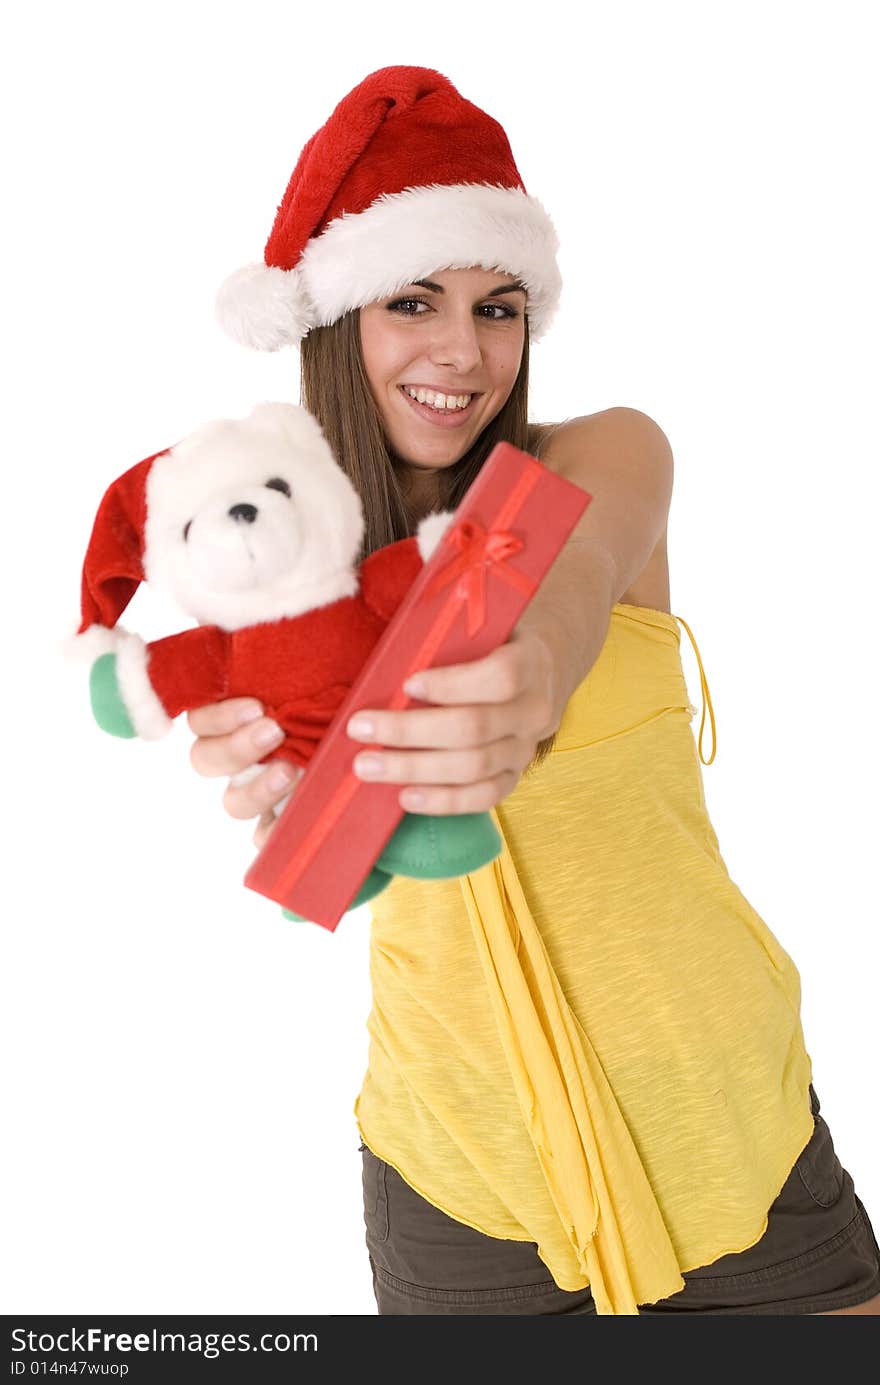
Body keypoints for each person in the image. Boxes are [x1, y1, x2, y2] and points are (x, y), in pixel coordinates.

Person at [189, 66, 880, 1314]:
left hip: (731, 1117)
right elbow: (317, 853)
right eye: (413, 301)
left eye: (498, 307)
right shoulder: (280, 571)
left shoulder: (604, 452)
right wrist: (268, 770)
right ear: (339, 324)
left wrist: (535, 674)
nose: (464, 350)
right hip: (461, 1169)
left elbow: (575, 566)